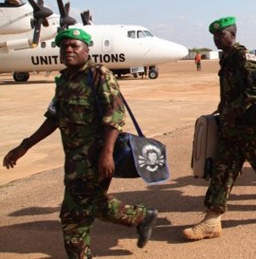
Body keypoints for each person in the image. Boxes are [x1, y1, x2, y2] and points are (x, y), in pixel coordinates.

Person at [3, 28, 158, 258]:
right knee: (95, 205)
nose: (68, 50)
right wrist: (25, 145)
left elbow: (115, 115)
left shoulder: (98, 75)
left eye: (74, 46)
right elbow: (53, 118)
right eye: (64, 46)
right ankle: (142, 217)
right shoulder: (65, 80)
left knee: (74, 218)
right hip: (75, 161)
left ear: (86, 50)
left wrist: (106, 153)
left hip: (96, 158)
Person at [183, 17, 256, 241]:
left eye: (221, 35)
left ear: (232, 35)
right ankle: (212, 220)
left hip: (250, 129)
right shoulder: (226, 58)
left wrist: (237, 107)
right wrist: (224, 110)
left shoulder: (241, 56)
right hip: (231, 129)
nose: (217, 40)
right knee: (222, 171)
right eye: (214, 37)